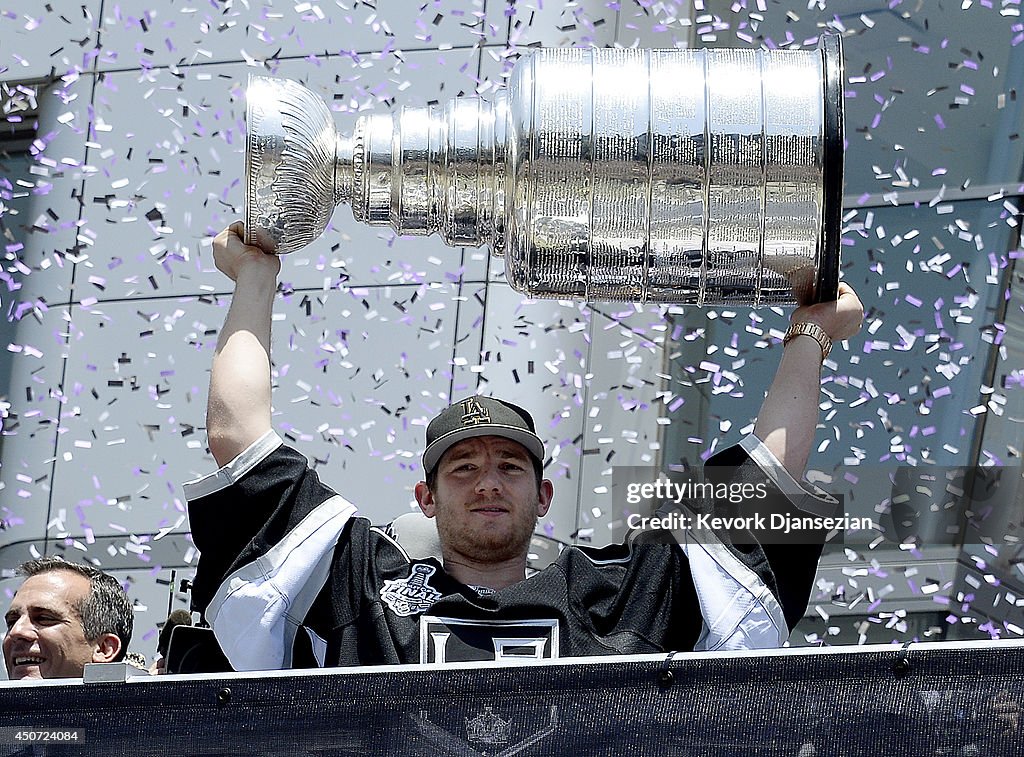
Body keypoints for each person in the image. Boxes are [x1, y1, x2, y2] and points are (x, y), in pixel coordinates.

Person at [184, 222, 864, 670]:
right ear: (425, 496)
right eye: (464, 467)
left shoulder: (615, 596)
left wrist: (812, 335)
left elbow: (760, 488)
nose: (488, 481)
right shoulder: (359, 588)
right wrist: (253, 275)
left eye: (510, 465)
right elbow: (238, 442)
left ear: (542, 494)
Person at [3, 557, 134, 680]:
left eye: (44, 618)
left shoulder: (146, 704)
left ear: (103, 649)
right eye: (12, 622)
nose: (16, 631)